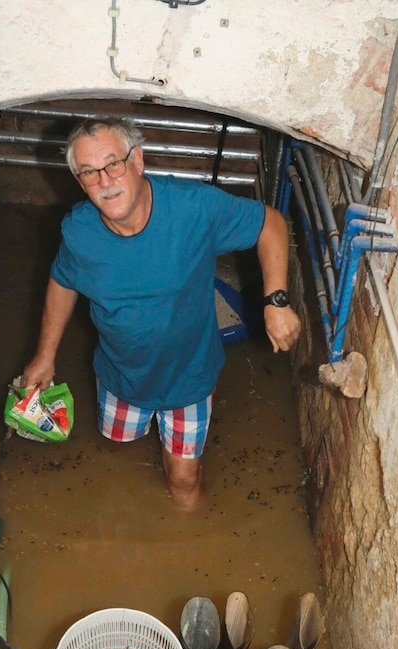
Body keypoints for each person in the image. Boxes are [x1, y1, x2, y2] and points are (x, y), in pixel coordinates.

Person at [22, 118, 302, 509]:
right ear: (77, 179)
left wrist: (276, 301)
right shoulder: (78, 231)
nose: (104, 181)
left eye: (113, 164)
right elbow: (64, 281)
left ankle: (186, 545)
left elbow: (270, 222)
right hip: (121, 376)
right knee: (119, 448)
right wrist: (45, 355)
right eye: (89, 172)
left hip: (189, 375)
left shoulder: (193, 208)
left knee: (184, 483)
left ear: (137, 160)